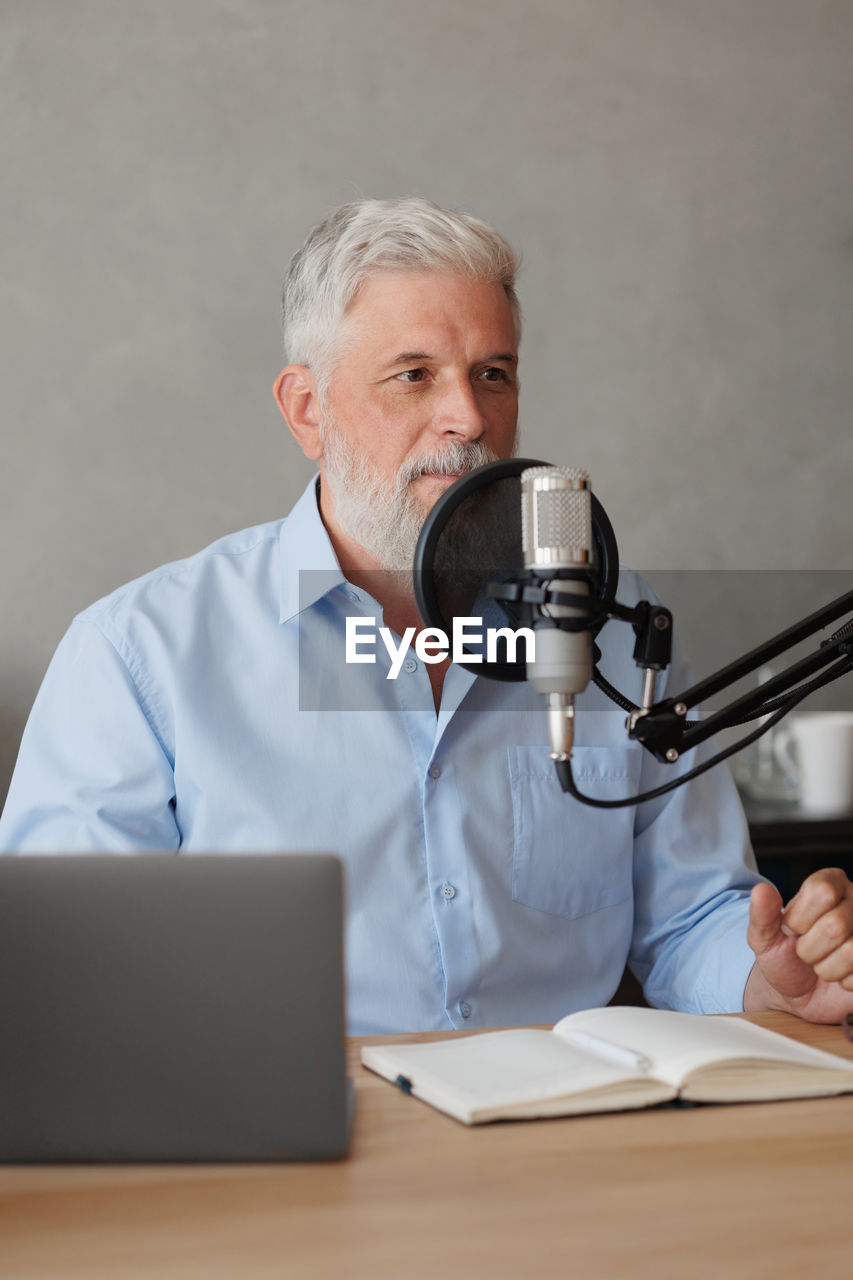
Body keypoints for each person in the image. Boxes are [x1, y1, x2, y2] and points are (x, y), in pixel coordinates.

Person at [1, 197, 852, 1033]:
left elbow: (690, 916)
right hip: (290, 1148)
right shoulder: (137, 655)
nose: (469, 419)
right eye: (414, 376)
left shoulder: (615, 632)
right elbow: (67, 978)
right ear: (307, 410)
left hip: (564, 1143)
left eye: (494, 374)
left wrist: (768, 977)